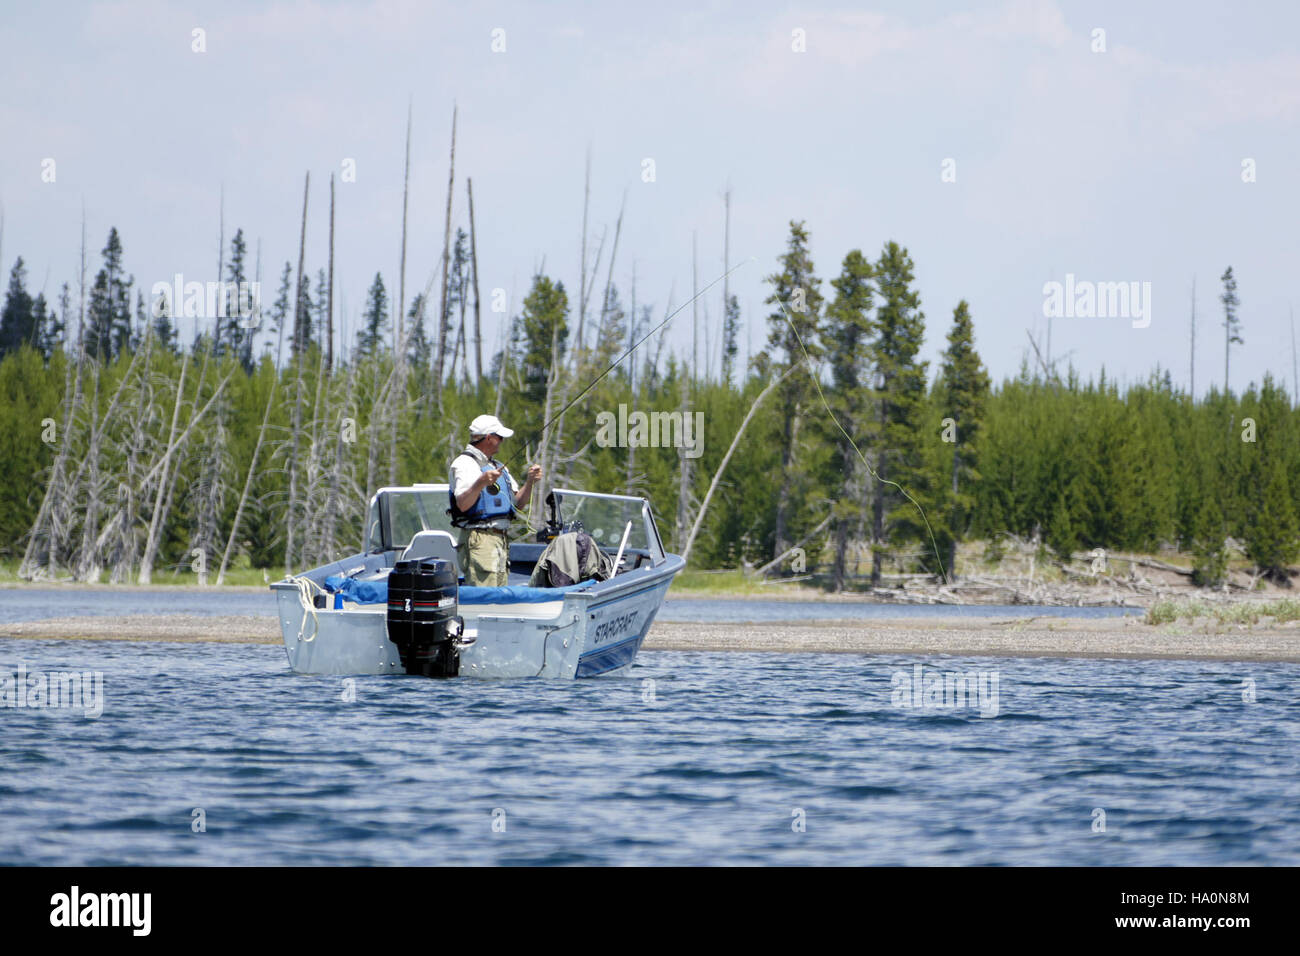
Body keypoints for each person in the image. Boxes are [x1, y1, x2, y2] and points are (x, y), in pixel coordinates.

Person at [448, 414, 542, 586]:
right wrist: (481, 482)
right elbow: (462, 504)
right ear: (489, 438)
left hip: (500, 541)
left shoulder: (495, 465)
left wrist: (530, 482)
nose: (502, 441)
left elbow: (517, 504)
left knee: (499, 596)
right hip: (480, 539)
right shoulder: (464, 464)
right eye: (500, 437)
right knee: (485, 595)